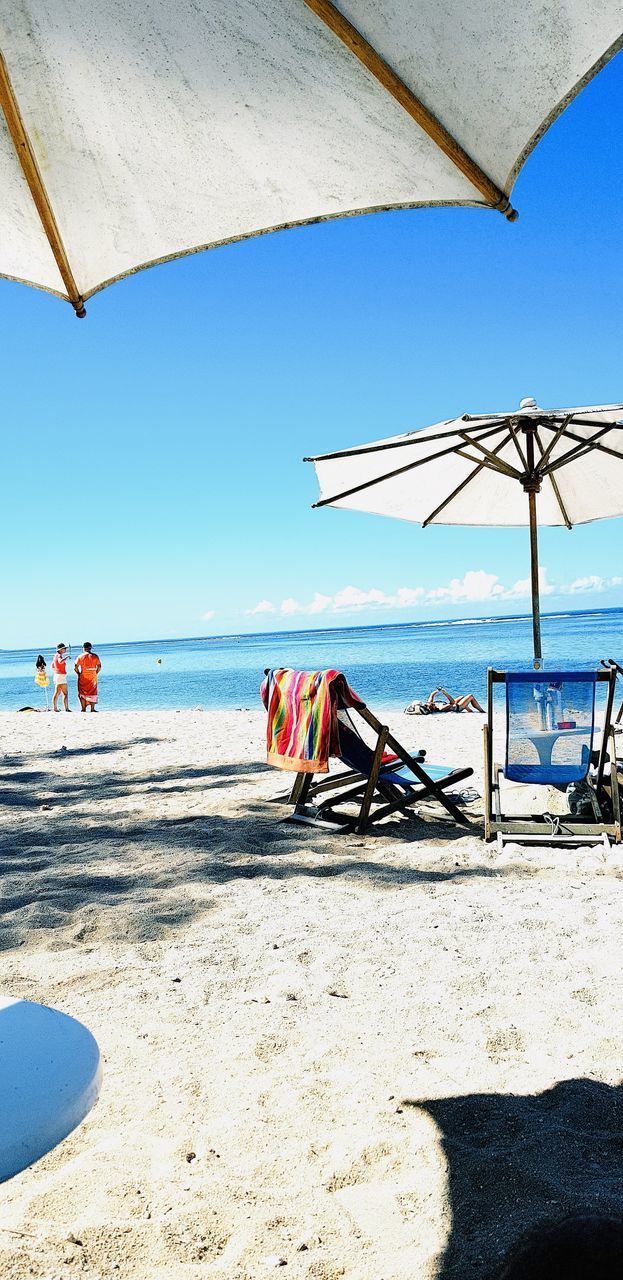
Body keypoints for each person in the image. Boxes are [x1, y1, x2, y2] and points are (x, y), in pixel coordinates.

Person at [405, 686, 485, 715]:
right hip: (458, 707)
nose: (431, 703)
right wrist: (445, 693)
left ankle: (470, 710)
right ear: (433, 707)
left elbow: (431, 695)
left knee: (461, 697)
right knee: (470, 696)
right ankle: (481, 711)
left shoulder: (430, 705)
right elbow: (453, 702)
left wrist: (437, 691)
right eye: (431, 704)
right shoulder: (441, 708)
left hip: (454, 705)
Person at [74, 642, 101, 712]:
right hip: (92, 676)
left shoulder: (80, 656)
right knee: (93, 691)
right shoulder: (95, 656)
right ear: (90, 648)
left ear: (83, 648)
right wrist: (96, 673)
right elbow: (99, 666)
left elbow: (75, 667)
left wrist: (78, 673)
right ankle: (92, 709)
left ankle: (83, 708)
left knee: (82, 692)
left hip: (83, 676)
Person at [51, 643, 71, 712]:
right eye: (64, 648)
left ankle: (55, 708)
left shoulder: (55, 656)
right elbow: (60, 661)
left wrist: (56, 671)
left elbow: (52, 665)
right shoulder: (59, 656)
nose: (65, 650)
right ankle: (66, 708)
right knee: (65, 693)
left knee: (57, 692)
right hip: (61, 676)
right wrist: (66, 657)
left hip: (56, 676)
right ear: (61, 649)